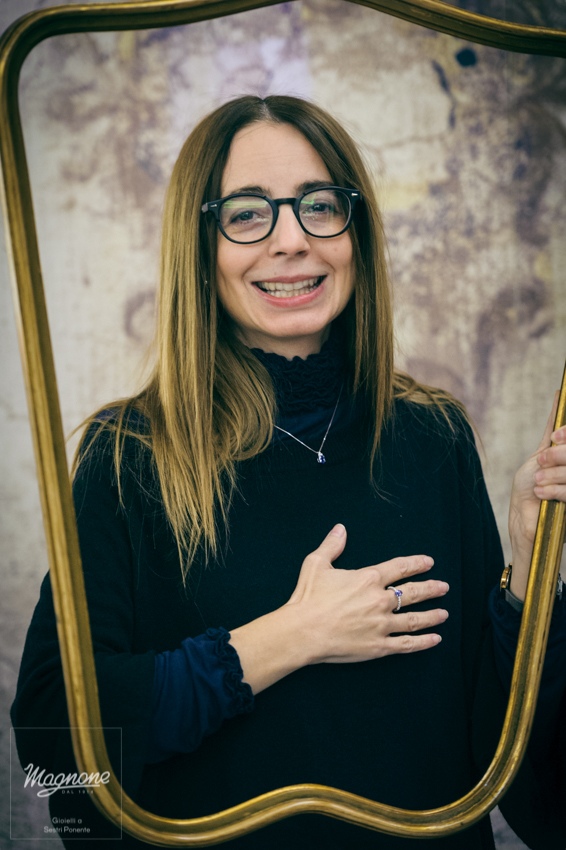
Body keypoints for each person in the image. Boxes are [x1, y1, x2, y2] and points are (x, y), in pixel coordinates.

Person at [11, 95, 566, 850]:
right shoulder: (129, 455)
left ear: (354, 232)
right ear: (200, 247)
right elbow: (55, 748)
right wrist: (288, 638)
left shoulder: (433, 438)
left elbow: (518, 776)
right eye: (247, 214)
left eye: (319, 205)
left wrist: (531, 560)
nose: (292, 240)